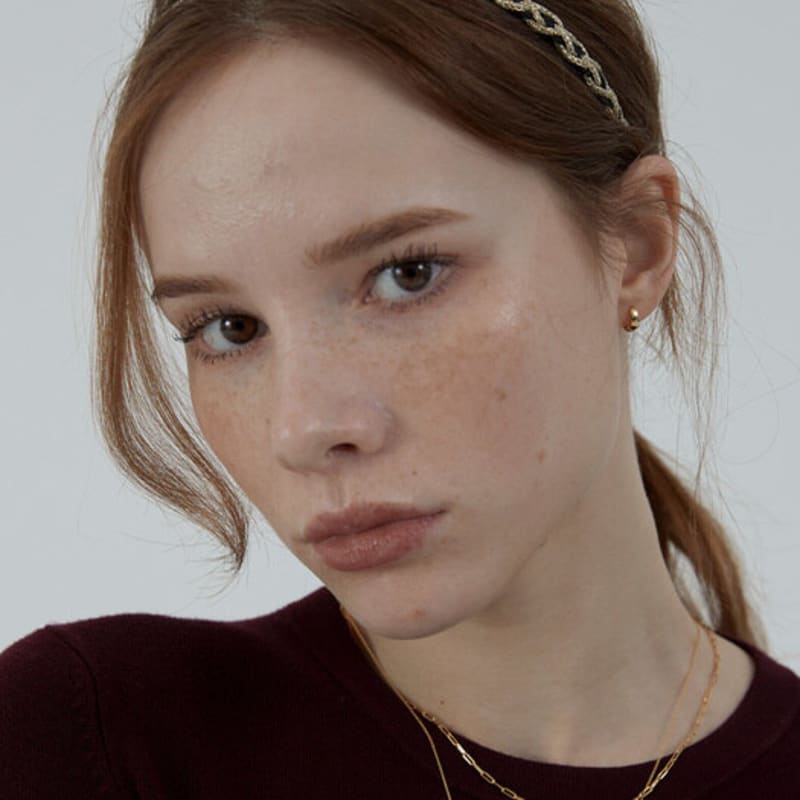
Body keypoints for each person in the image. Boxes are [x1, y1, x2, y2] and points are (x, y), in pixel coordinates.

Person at [1, 1, 798, 797]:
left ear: (638, 245)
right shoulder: (92, 747)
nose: (302, 427)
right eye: (230, 327)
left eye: (407, 275)